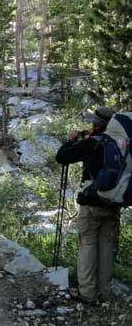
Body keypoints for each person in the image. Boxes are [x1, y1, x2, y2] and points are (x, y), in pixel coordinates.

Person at [55, 106, 120, 304]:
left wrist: (71, 140)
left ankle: (88, 294)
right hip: (113, 201)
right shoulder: (120, 143)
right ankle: (105, 293)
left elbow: (62, 157)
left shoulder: (89, 143)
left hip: (91, 201)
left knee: (88, 244)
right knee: (107, 247)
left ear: (95, 123)